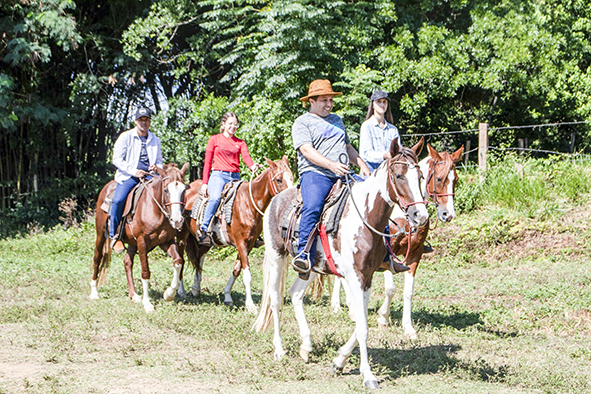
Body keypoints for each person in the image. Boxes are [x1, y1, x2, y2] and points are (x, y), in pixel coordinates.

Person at [291, 79, 371, 280]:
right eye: (324, 100)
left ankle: (387, 251)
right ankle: (304, 255)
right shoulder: (302, 122)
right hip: (316, 174)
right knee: (313, 206)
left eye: (331, 100)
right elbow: (306, 150)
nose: (329, 104)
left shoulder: (337, 120)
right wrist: (331, 165)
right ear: (311, 101)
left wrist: (361, 164)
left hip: (343, 173)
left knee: (372, 199)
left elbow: (347, 147)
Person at [198, 112, 260, 246]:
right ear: (224, 124)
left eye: (235, 124)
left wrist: (252, 166)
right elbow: (207, 163)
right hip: (219, 175)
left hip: (235, 177)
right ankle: (204, 229)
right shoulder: (214, 139)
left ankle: (253, 232)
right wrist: (204, 183)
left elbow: (246, 157)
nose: (233, 126)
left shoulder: (240, 142)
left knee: (247, 200)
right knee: (214, 198)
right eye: (230, 123)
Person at [109, 106, 163, 253]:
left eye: (146, 120)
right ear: (136, 121)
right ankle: (114, 235)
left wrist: (156, 167)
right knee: (118, 199)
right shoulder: (126, 137)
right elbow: (117, 159)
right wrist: (134, 171)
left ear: (150, 122)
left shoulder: (154, 139)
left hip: (150, 176)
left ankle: (166, 231)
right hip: (130, 176)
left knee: (166, 194)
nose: (143, 123)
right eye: (141, 120)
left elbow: (159, 160)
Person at [359, 89, 402, 172]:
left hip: (389, 170)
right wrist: (384, 156)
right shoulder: (366, 126)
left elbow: (399, 150)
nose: (382, 104)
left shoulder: (393, 129)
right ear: (373, 105)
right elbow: (366, 154)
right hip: (370, 169)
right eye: (379, 101)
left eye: (384, 102)